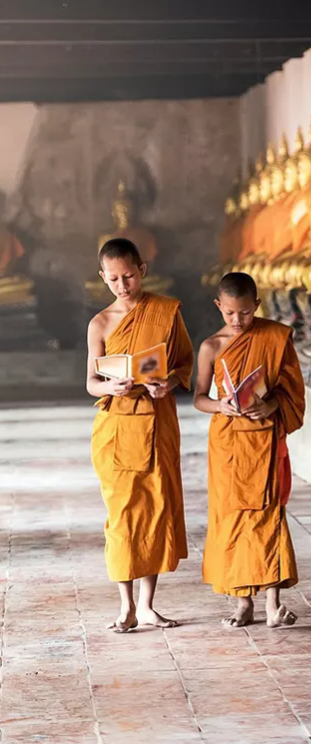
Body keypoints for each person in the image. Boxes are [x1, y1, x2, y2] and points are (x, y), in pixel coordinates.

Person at [86, 237, 194, 633]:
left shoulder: (166, 312)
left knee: (154, 511)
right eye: (113, 279)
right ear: (103, 278)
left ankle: (148, 606)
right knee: (122, 517)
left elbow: (183, 363)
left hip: (157, 421)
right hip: (117, 429)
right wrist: (110, 387)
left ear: (142, 270)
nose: (123, 285)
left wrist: (168, 383)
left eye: (128, 276)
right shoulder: (99, 323)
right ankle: (125, 606)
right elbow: (91, 383)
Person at [194, 272, 305, 628]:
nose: (238, 321)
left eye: (244, 313)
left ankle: (273, 604)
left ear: (256, 305)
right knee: (231, 520)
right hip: (227, 441)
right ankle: (243, 602)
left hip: (263, 439)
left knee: (267, 515)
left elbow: (292, 391)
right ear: (219, 307)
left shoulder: (275, 337)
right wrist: (221, 405)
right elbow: (198, 398)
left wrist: (271, 406)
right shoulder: (211, 346)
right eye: (230, 314)